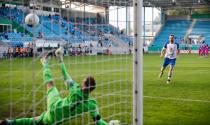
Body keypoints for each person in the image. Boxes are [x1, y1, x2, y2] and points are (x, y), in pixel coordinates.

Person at [0, 49, 108, 125]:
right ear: (91, 90)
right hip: (56, 118)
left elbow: (65, 76)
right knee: (38, 120)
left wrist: (60, 60)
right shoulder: (92, 105)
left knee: (50, 84)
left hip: (55, 104)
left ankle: (45, 64)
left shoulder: (75, 89)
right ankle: (10, 123)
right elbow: (98, 121)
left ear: (84, 84)